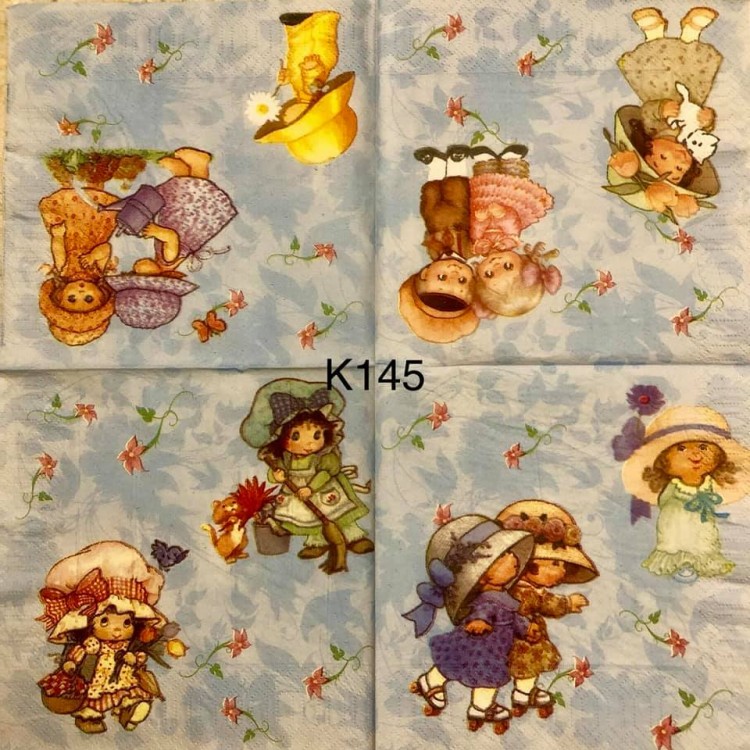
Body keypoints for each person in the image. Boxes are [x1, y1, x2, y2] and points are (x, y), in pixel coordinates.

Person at [404, 515, 536, 733]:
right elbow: (483, 611)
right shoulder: (487, 599)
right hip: (478, 646)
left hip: (494, 649)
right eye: (501, 557)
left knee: (468, 669)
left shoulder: (504, 598)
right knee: (463, 667)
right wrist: (479, 621)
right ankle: (446, 691)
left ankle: (476, 705)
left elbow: (513, 619)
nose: (512, 556)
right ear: (482, 575)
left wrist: (526, 627)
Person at [240, 379, 373, 567]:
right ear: (281, 438)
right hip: (297, 494)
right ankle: (318, 543)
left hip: (325, 490)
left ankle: (354, 538)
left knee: (337, 515)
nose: (309, 444)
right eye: (296, 436)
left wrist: (311, 488)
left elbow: (328, 472)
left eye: (317, 435)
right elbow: (277, 470)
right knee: (309, 518)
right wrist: (276, 476)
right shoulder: (286, 457)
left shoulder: (324, 455)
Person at [622, 405, 750, 581]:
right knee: (677, 540)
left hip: (701, 523)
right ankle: (679, 564)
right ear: (663, 462)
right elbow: (664, 501)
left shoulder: (708, 484)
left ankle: (699, 563)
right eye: (681, 448)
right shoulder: (673, 486)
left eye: (703, 447)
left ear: (719, 457)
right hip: (676, 521)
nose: (695, 454)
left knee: (702, 541)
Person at [496, 501, 598, 717]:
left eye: (563, 566)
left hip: (529, 637)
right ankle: (522, 695)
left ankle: (525, 692)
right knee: (526, 666)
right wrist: (568, 603)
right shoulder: (521, 592)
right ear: (527, 565)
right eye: (555, 564)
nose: (562, 572)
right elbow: (545, 604)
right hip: (522, 639)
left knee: (529, 668)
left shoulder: (530, 590)